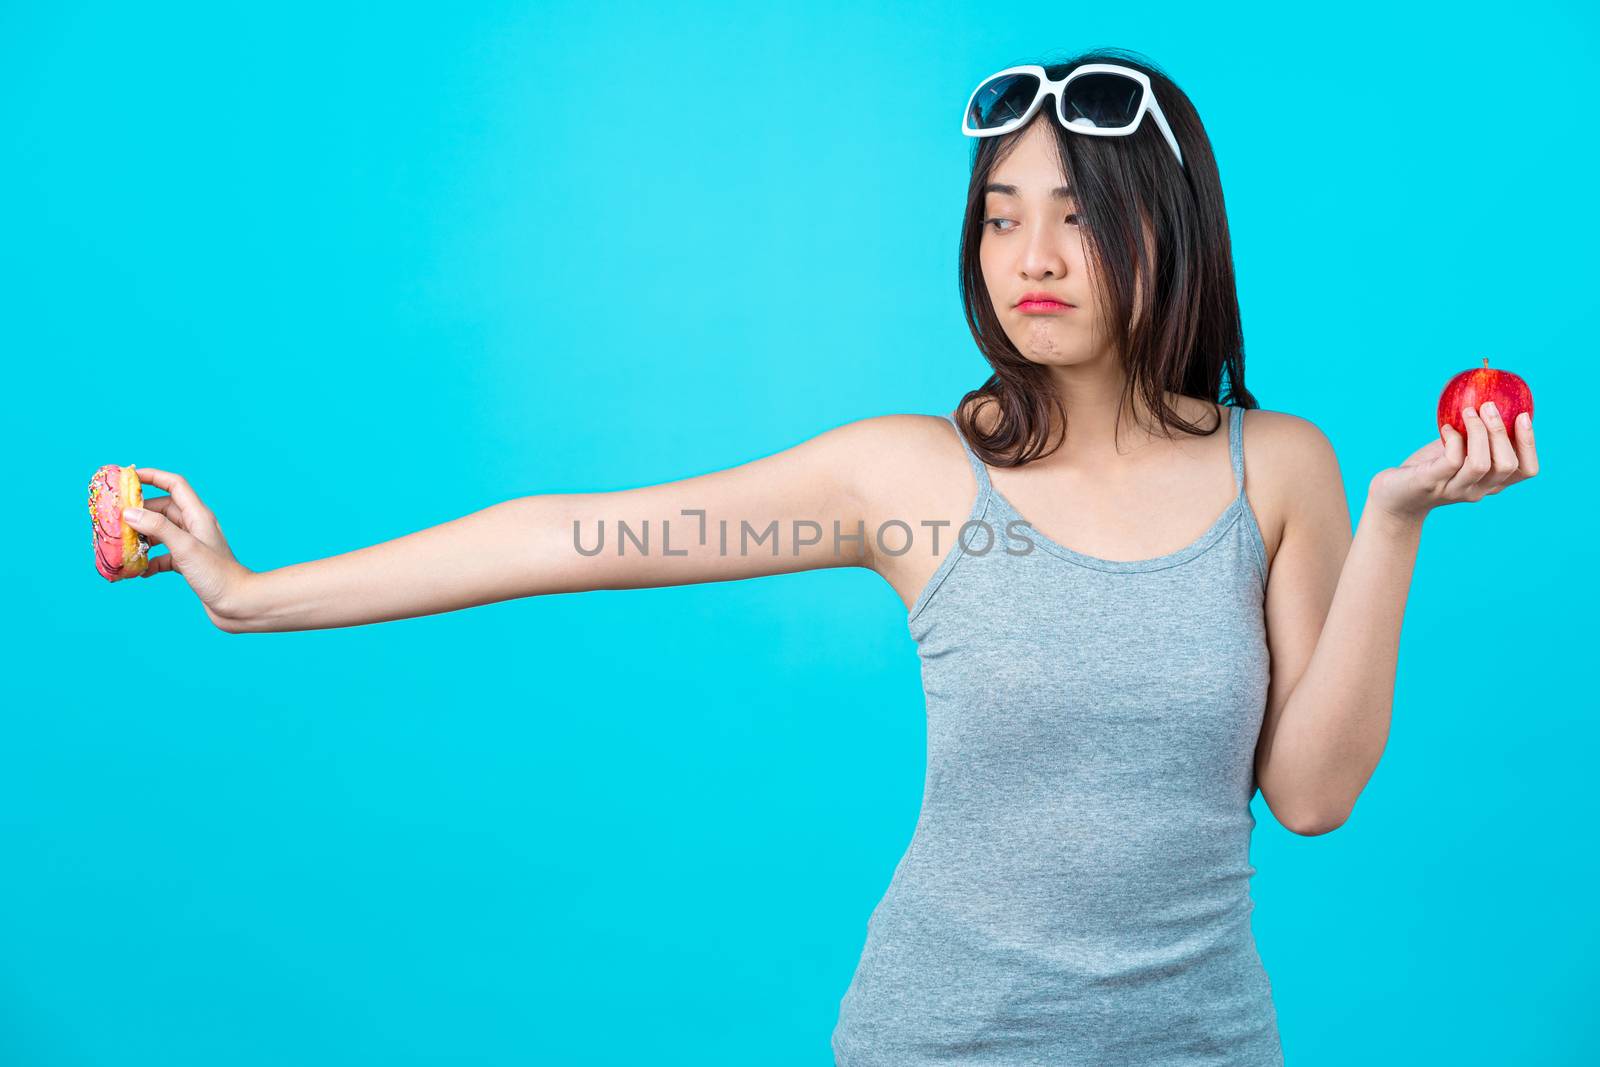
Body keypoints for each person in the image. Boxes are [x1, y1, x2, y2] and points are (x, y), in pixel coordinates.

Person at [119, 46, 1539, 1067]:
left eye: (1076, 215)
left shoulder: (1276, 467)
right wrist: (253, 598)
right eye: (1001, 214)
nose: (1029, 254)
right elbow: (570, 533)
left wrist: (1398, 525)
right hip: (946, 1039)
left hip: (1208, 1045)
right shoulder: (914, 479)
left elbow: (1311, 795)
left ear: (1160, 228)